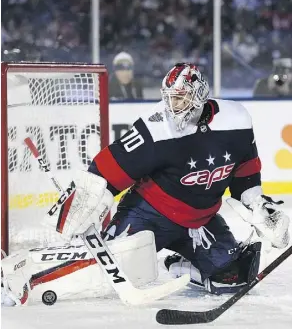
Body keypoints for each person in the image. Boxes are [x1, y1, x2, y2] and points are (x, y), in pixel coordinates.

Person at [2, 63, 290, 306]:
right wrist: (86, 199)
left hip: (199, 222)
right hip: (148, 214)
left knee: (233, 277)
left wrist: (257, 205)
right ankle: (25, 273)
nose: (171, 106)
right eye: (169, 98)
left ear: (199, 96)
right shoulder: (156, 127)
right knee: (106, 274)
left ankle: (181, 268)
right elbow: (106, 168)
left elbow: (245, 174)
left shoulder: (236, 121)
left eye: (179, 99)